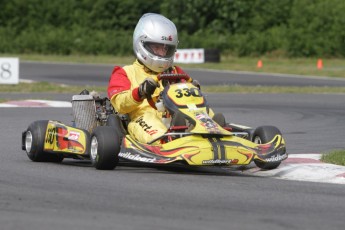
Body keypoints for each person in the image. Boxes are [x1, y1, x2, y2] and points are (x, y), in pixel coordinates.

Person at [107, 13, 191, 144]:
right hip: (142, 117)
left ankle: (213, 134)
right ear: (142, 44)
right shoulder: (124, 72)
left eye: (166, 49)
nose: (162, 53)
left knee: (195, 118)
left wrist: (194, 89)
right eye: (157, 47)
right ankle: (170, 141)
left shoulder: (175, 72)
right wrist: (140, 92)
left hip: (175, 115)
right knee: (155, 131)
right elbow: (120, 105)